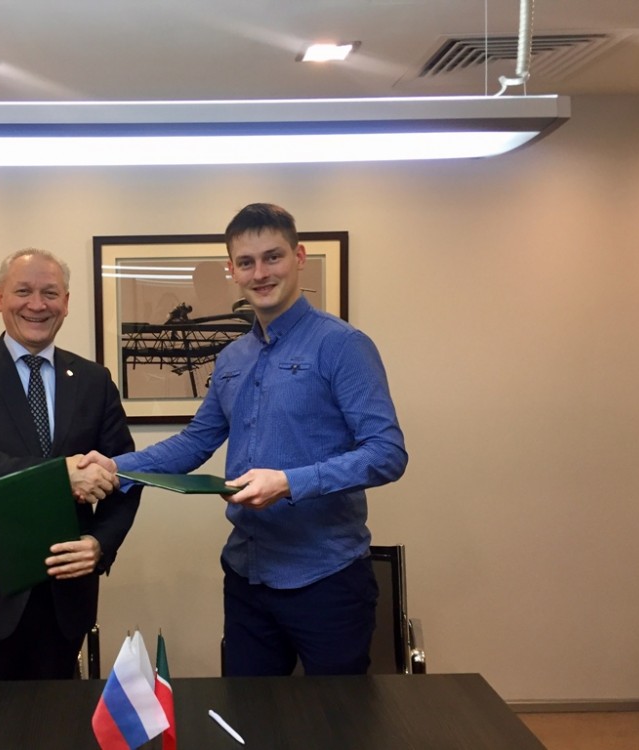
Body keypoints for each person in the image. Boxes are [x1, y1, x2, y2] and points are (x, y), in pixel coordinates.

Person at [81, 203, 407, 676]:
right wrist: (117, 468)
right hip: (246, 576)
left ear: (298, 257)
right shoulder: (233, 356)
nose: (261, 273)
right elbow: (196, 442)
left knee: (335, 716)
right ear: (232, 270)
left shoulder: (342, 345)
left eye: (273, 257)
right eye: (247, 262)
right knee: (247, 714)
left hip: (327, 579)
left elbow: (387, 453)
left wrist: (289, 482)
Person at [0, 248, 141, 681]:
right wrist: (59, 476)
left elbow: (125, 476)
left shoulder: (94, 381)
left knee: (58, 718)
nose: (37, 305)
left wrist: (100, 544)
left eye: (50, 293)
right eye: (23, 291)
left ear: (66, 303)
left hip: (64, 596)